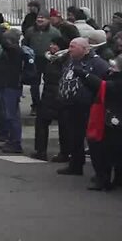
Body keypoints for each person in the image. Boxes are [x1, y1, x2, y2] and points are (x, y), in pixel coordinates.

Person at [57, 36, 111, 176]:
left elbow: (103, 84)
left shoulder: (98, 64)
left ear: (85, 49)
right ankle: (75, 165)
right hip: (71, 105)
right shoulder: (71, 61)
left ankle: (100, 173)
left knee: (93, 140)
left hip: (88, 106)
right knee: (74, 137)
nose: (69, 49)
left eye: (73, 46)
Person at [81, 57, 122, 190]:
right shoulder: (112, 77)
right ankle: (115, 179)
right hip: (112, 119)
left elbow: (103, 86)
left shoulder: (116, 82)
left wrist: (85, 75)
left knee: (105, 151)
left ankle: (104, 180)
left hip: (112, 119)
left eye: (114, 67)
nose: (111, 69)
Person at [0, 28, 26, 154]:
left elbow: (3, 42)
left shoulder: (15, 51)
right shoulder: (11, 51)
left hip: (11, 86)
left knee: (12, 116)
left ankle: (15, 143)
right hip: (5, 84)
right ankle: (11, 140)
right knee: (8, 114)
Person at [34, 42, 68, 161]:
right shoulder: (50, 59)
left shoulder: (61, 60)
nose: (51, 47)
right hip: (50, 93)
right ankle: (42, 151)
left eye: (55, 45)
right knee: (44, 123)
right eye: (51, 44)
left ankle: (58, 152)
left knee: (50, 123)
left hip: (56, 94)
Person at [23, 11, 62, 112]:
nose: (40, 20)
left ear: (48, 20)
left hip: (48, 59)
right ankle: (35, 105)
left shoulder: (54, 32)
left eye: (42, 18)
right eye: (38, 18)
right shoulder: (30, 31)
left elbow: (59, 45)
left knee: (49, 83)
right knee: (34, 84)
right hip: (34, 60)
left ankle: (47, 104)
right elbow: (25, 44)